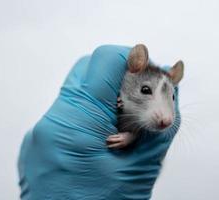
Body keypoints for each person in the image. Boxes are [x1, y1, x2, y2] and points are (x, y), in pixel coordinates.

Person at [18, 45, 181, 200]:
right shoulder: (121, 86)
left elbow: (136, 134)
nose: (167, 119)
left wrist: (129, 137)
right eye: (146, 90)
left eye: (172, 98)